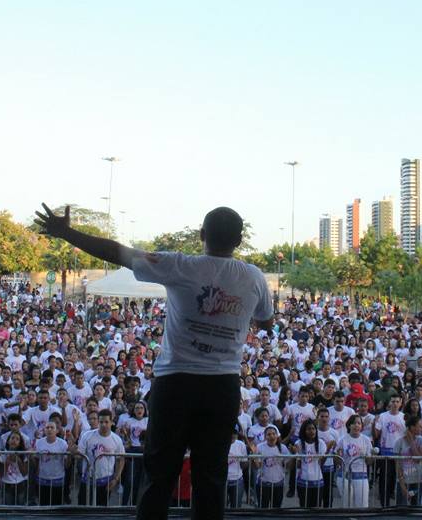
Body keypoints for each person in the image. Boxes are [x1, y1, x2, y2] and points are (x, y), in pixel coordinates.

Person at [35, 204, 273, 520]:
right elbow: (266, 321)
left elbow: (117, 252)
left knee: (159, 476)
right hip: (223, 386)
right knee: (211, 479)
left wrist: (66, 232)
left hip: (175, 384)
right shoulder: (254, 277)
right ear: (239, 241)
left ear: (202, 234)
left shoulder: (180, 265)